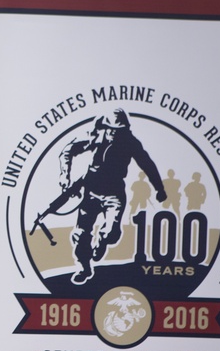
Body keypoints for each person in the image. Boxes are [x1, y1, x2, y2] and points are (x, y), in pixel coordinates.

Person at [57, 108, 165, 284]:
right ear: (106, 127)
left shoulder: (130, 143)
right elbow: (67, 151)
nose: (114, 133)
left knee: (111, 233)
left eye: (118, 130)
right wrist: (64, 175)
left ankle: (101, 243)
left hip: (114, 194)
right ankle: (85, 267)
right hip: (90, 192)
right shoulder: (96, 137)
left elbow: (147, 163)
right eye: (111, 129)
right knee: (80, 234)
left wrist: (159, 188)